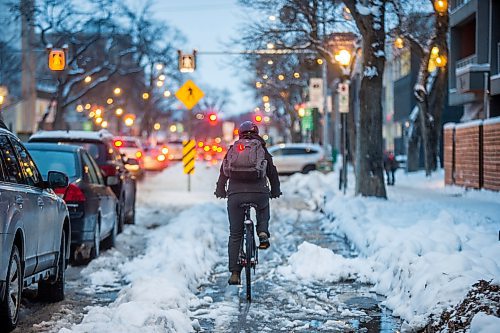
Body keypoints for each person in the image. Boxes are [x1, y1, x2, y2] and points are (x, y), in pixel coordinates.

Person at [214, 121, 281, 285]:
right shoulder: (261, 150)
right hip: (259, 193)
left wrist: (220, 190)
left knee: (235, 234)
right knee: (263, 207)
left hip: (236, 195)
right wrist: (275, 191)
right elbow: (272, 172)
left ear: (240, 133)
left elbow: (223, 172)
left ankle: (235, 273)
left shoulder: (233, 149)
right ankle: (262, 232)